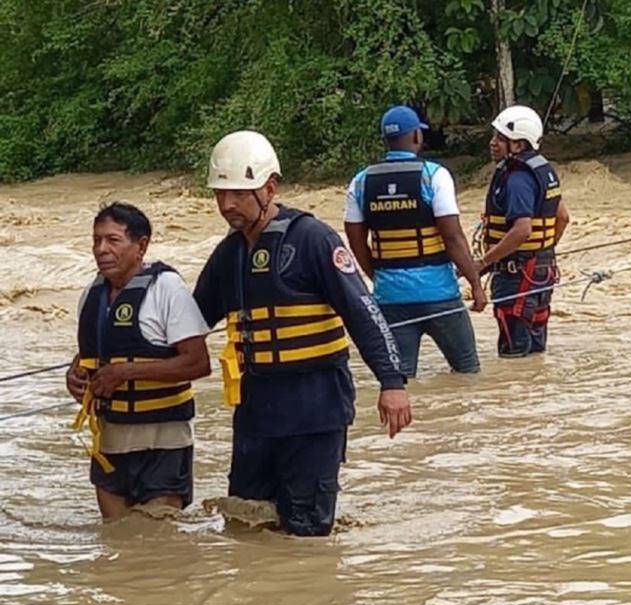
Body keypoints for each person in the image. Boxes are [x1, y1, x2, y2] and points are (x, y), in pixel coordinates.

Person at [193, 130, 412, 536]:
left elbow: (362, 311)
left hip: (314, 410)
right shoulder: (230, 254)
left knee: (306, 534)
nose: (227, 204)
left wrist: (392, 382)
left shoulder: (313, 240)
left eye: (239, 193)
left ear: (270, 188)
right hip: (256, 413)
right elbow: (192, 321)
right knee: (244, 524)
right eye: (220, 194)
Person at [66, 202, 211, 519]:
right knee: (118, 542)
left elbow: (198, 363)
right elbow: (94, 351)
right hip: (111, 444)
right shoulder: (92, 293)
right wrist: (74, 373)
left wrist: (127, 372)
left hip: (163, 443)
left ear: (141, 246)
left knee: (158, 542)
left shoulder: (167, 288)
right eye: (96, 240)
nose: (101, 249)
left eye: (113, 240)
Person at [344, 105, 487, 378]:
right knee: (468, 374)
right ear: (417, 137)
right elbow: (453, 237)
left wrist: (379, 276)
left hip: (391, 300)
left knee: (399, 381)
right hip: (441, 297)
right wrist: (476, 285)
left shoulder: (360, 182)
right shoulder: (434, 175)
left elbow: (355, 242)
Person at [476, 105, 571, 357]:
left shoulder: (517, 178)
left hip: (516, 275)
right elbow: (562, 217)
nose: (492, 143)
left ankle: (515, 395)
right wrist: (544, 251)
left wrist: (482, 263)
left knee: (513, 354)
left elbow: (522, 231)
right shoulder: (543, 170)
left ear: (518, 146)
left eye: (501, 139)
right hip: (542, 271)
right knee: (535, 349)